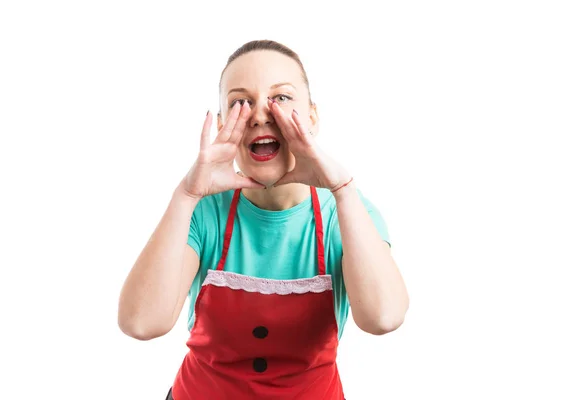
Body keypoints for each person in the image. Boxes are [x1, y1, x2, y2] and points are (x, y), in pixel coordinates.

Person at [118, 39, 409, 399]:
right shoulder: (203, 211)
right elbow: (141, 323)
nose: (258, 114)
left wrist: (343, 189)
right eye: (241, 101)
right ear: (225, 124)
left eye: (281, 98)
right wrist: (186, 196)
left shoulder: (346, 212)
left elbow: (383, 318)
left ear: (313, 116)